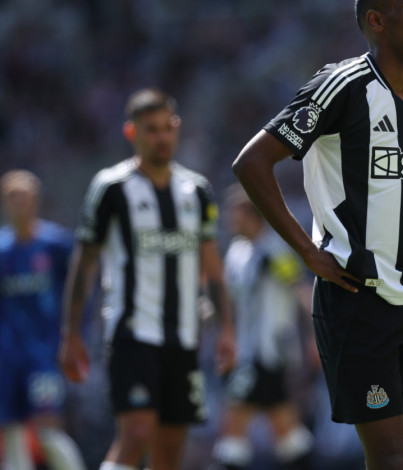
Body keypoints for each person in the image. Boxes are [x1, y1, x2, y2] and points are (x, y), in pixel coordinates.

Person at [232, 0, 403, 470]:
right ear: (376, 21)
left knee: (401, 460)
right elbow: (252, 162)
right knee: (391, 458)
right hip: (357, 298)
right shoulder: (340, 87)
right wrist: (307, 252)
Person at [58, 88, 237, 470]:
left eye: (166, 128)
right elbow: (85, 263)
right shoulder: (111, 187)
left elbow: (212, 266)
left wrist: (226, 328)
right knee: (136, 435)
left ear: (177, 128)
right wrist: (71, 333)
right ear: (132, 132)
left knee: (170, 448)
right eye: (151, 129)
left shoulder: (197, 190)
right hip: (132, 332)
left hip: (184, 336)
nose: (161, 137)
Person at [210, 185, 314, 470]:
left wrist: (314, 337)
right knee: (284, 428)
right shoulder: (237, 252)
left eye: (236, 214)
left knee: (235, 421)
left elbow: (300, 291)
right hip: (246, 352)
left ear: (253, 216)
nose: (230, 220)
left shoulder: (275, 251)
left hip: (268, 351)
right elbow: (231, 300)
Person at [0, 170, 87, 470]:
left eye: (25, 197)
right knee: (11, 432)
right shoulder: (2, 251)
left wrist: (76, 332)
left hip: (43, 354)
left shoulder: (56, 245)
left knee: (48, 429)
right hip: (6, 356)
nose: (20, 203)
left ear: (37, 201)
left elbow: (80, 289)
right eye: (13, 197)